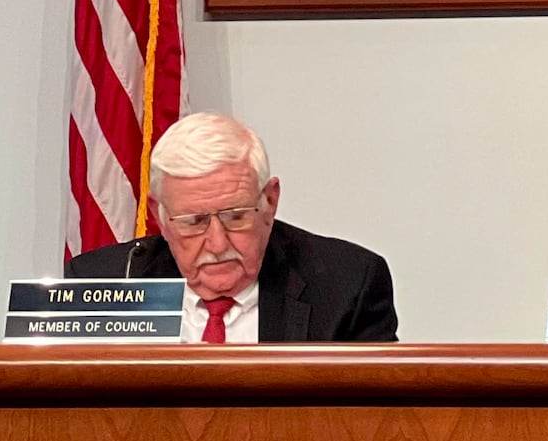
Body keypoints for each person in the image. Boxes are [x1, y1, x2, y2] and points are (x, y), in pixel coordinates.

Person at [67, 111, 398, 343]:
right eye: (194, 222)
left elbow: (371, 430)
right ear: (160, 216)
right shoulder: (100, 284)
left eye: (235, 216)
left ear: (269, 201)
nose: (216, 242)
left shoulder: (347, 285)